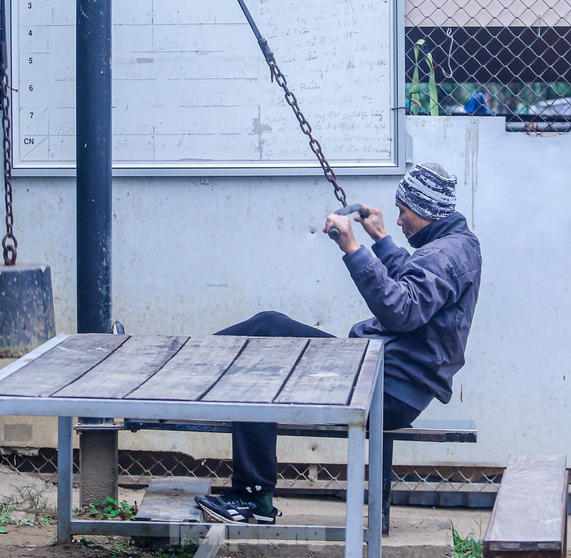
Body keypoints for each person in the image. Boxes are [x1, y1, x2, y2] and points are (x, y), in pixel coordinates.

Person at [195, 163, 482, 525]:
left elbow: (402, 310)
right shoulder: (454, 246)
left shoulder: (443, 255)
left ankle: (252, 499)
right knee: (268, 328)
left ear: (425, 211)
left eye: (403, 212)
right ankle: (189, 363)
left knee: (261, 356)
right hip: (380, 375)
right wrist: (380, 240)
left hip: (384, 388)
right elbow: (416, 292)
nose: (397, 221)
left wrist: (353, 248)